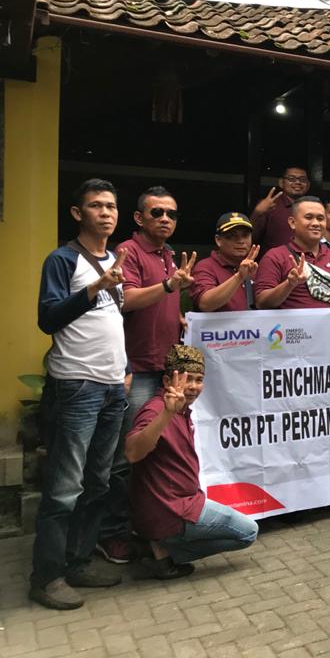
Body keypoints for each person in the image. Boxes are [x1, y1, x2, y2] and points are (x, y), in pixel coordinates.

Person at [30, 179, 129, 610]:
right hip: (76, 387)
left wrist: (124, 371)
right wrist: (94, 288)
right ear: (77, 213)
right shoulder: (62, 259)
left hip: (111, 387)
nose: (106, 213)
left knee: (97, 482)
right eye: (96, 206)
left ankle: (78, 562)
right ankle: (46, 577)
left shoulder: (113, 259)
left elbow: (112, 324)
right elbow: (48, 319)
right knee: (64, 487)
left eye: (111, 206)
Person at [100, 186, 196, 563]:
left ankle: (146, 527)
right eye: (157, 213)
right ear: (139, 218)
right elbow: (127, 299)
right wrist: (170, 286)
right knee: (126, 458)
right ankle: (112, 534)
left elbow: (159, 301)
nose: (166, 219)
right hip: (135, 370)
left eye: (172, 214)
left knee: (159, 453)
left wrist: (177, 314)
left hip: (165, 370)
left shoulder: (169, 255)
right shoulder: (128, 251)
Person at [127, 346, 258, 580]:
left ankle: (160, 547)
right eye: (187, 379)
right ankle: (165, 550)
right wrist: (166, 414)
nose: (194, 386)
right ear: (167, 380)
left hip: (183, 502)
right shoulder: (157, 410)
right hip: (171, 510)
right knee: (248, 532)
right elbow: (133, 453)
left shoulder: (181, 409)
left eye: (199, 380)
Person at [254, 196, 330, 311]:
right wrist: (289, 284)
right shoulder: (275, 256)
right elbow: (261, 303)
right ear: (292, 222)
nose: (316, 223)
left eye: (320, 218)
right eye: (308, 217)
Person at [190, 213, 260, 312]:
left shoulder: (255, 267)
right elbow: (205, 304)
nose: (241, 241)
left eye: (245, 235)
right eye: (233, 236)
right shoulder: (205, 266)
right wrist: (239, 277)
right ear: (218, 240)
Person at [250, 166, 310, 250]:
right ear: (281, 183)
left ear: (308, 185)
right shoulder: (270, 205)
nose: (297, 182)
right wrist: (257, 212)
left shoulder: (313, 207)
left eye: (302, 180)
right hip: (274, 257)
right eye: (291, 179)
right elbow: (250, 238)